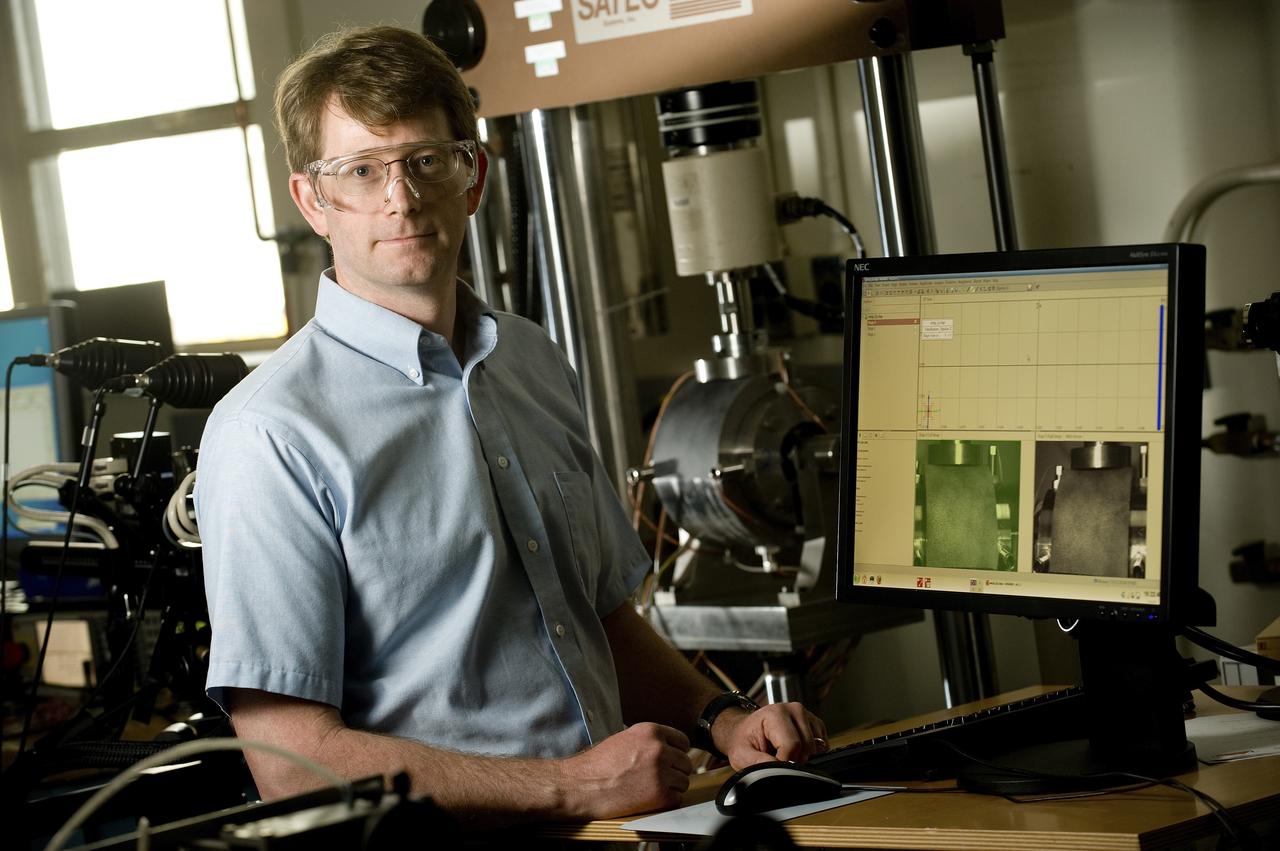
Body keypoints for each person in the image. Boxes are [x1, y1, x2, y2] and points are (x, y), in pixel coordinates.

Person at [195, 25, 827, 825]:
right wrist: (572, 785)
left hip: (624, 828)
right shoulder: (269, 434)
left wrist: (724, 718)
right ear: (313, 200)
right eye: (362, 170)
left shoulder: (528, 358)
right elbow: (292, 759)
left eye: (427, 160)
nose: (402, 196)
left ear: (474, 176)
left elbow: (595, 614)